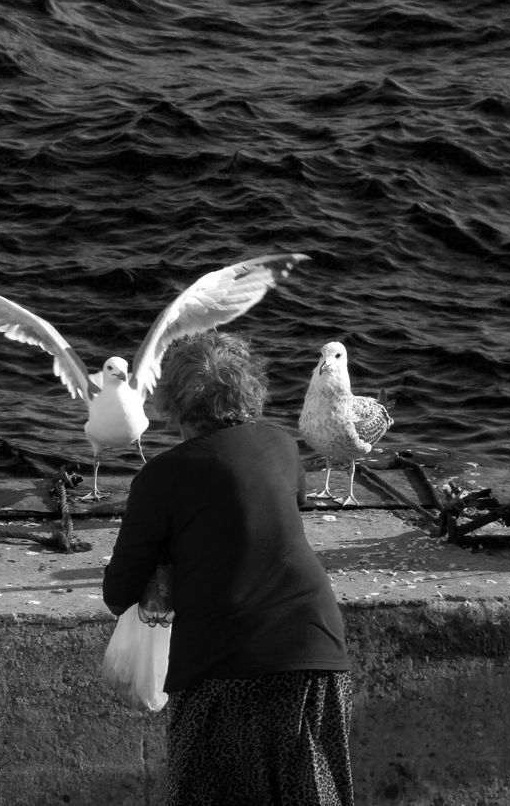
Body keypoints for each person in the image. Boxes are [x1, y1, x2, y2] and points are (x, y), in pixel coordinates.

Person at [102, 331, 353, 806]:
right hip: (315, 647)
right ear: (250, 392)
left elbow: (119, 592)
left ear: (177, 403)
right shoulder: (281, 445)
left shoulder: (161, 476)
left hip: (223, 666)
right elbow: (285, 502)